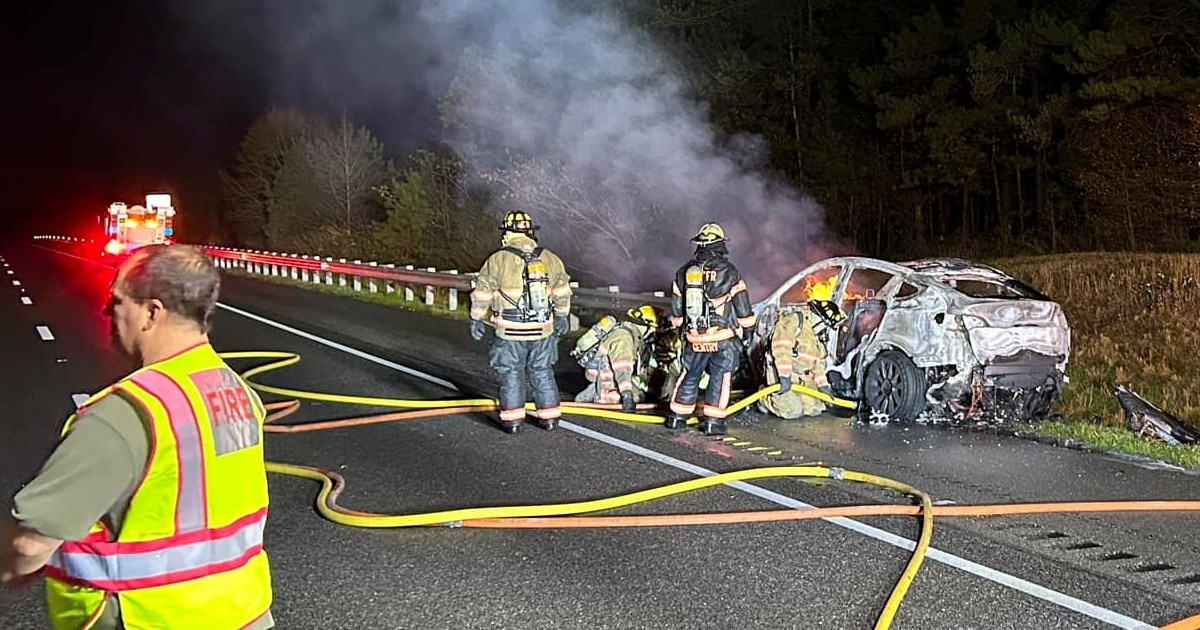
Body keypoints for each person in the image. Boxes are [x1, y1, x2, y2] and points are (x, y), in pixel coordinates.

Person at [0, 245, 274, 629]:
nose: (107, 314)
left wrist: (12, 568)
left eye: (116, 302)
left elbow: (29, 543)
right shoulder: (237, 392)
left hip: (150, 618)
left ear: (151, 313)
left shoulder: (128, 413)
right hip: (242, 613)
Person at [469, 211, 573, 433]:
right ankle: (550, 419)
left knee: (511, 372)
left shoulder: (498, 259)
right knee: (542, 370)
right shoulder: (550, 258)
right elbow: (563, 291)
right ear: (530, 232)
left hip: (510, 331)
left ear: (507, 232)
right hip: (543, 329)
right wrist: (562, 316)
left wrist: (476, 318)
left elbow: (482, 292)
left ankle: (513, 422)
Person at [665, 222, 756, 435]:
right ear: (720, 244)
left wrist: (684, 332)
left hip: (694, 337)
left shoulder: (683, 272)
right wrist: (749, 331)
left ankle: (678, 416)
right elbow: (743, 308)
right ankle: (713, 422)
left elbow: (677, 310)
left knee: (690, 374)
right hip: (722, 338)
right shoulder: (730, 272)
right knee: (720, 376)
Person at [571, 305, 659, 411]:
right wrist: (627, 394)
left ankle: (593, 393)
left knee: (640, 393)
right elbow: (622, 369)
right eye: (653, 331)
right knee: (636, 398)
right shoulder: (624, 338)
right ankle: (597, 396)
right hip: (605, 378)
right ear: (647, 327)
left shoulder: (628, 332)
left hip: (605, 376)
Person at [758, 305, 830, 418]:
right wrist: (784, 376)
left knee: (815, 409)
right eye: (826, 325)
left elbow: (818, 363)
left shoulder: (816, 337)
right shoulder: (794, 321)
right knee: (793, 412)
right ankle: (763, 398)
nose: (825, 329)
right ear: (819, 318)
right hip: (782, 375)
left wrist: (823, 385)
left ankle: (794, 398)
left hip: (803, 379)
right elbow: (781, 348)